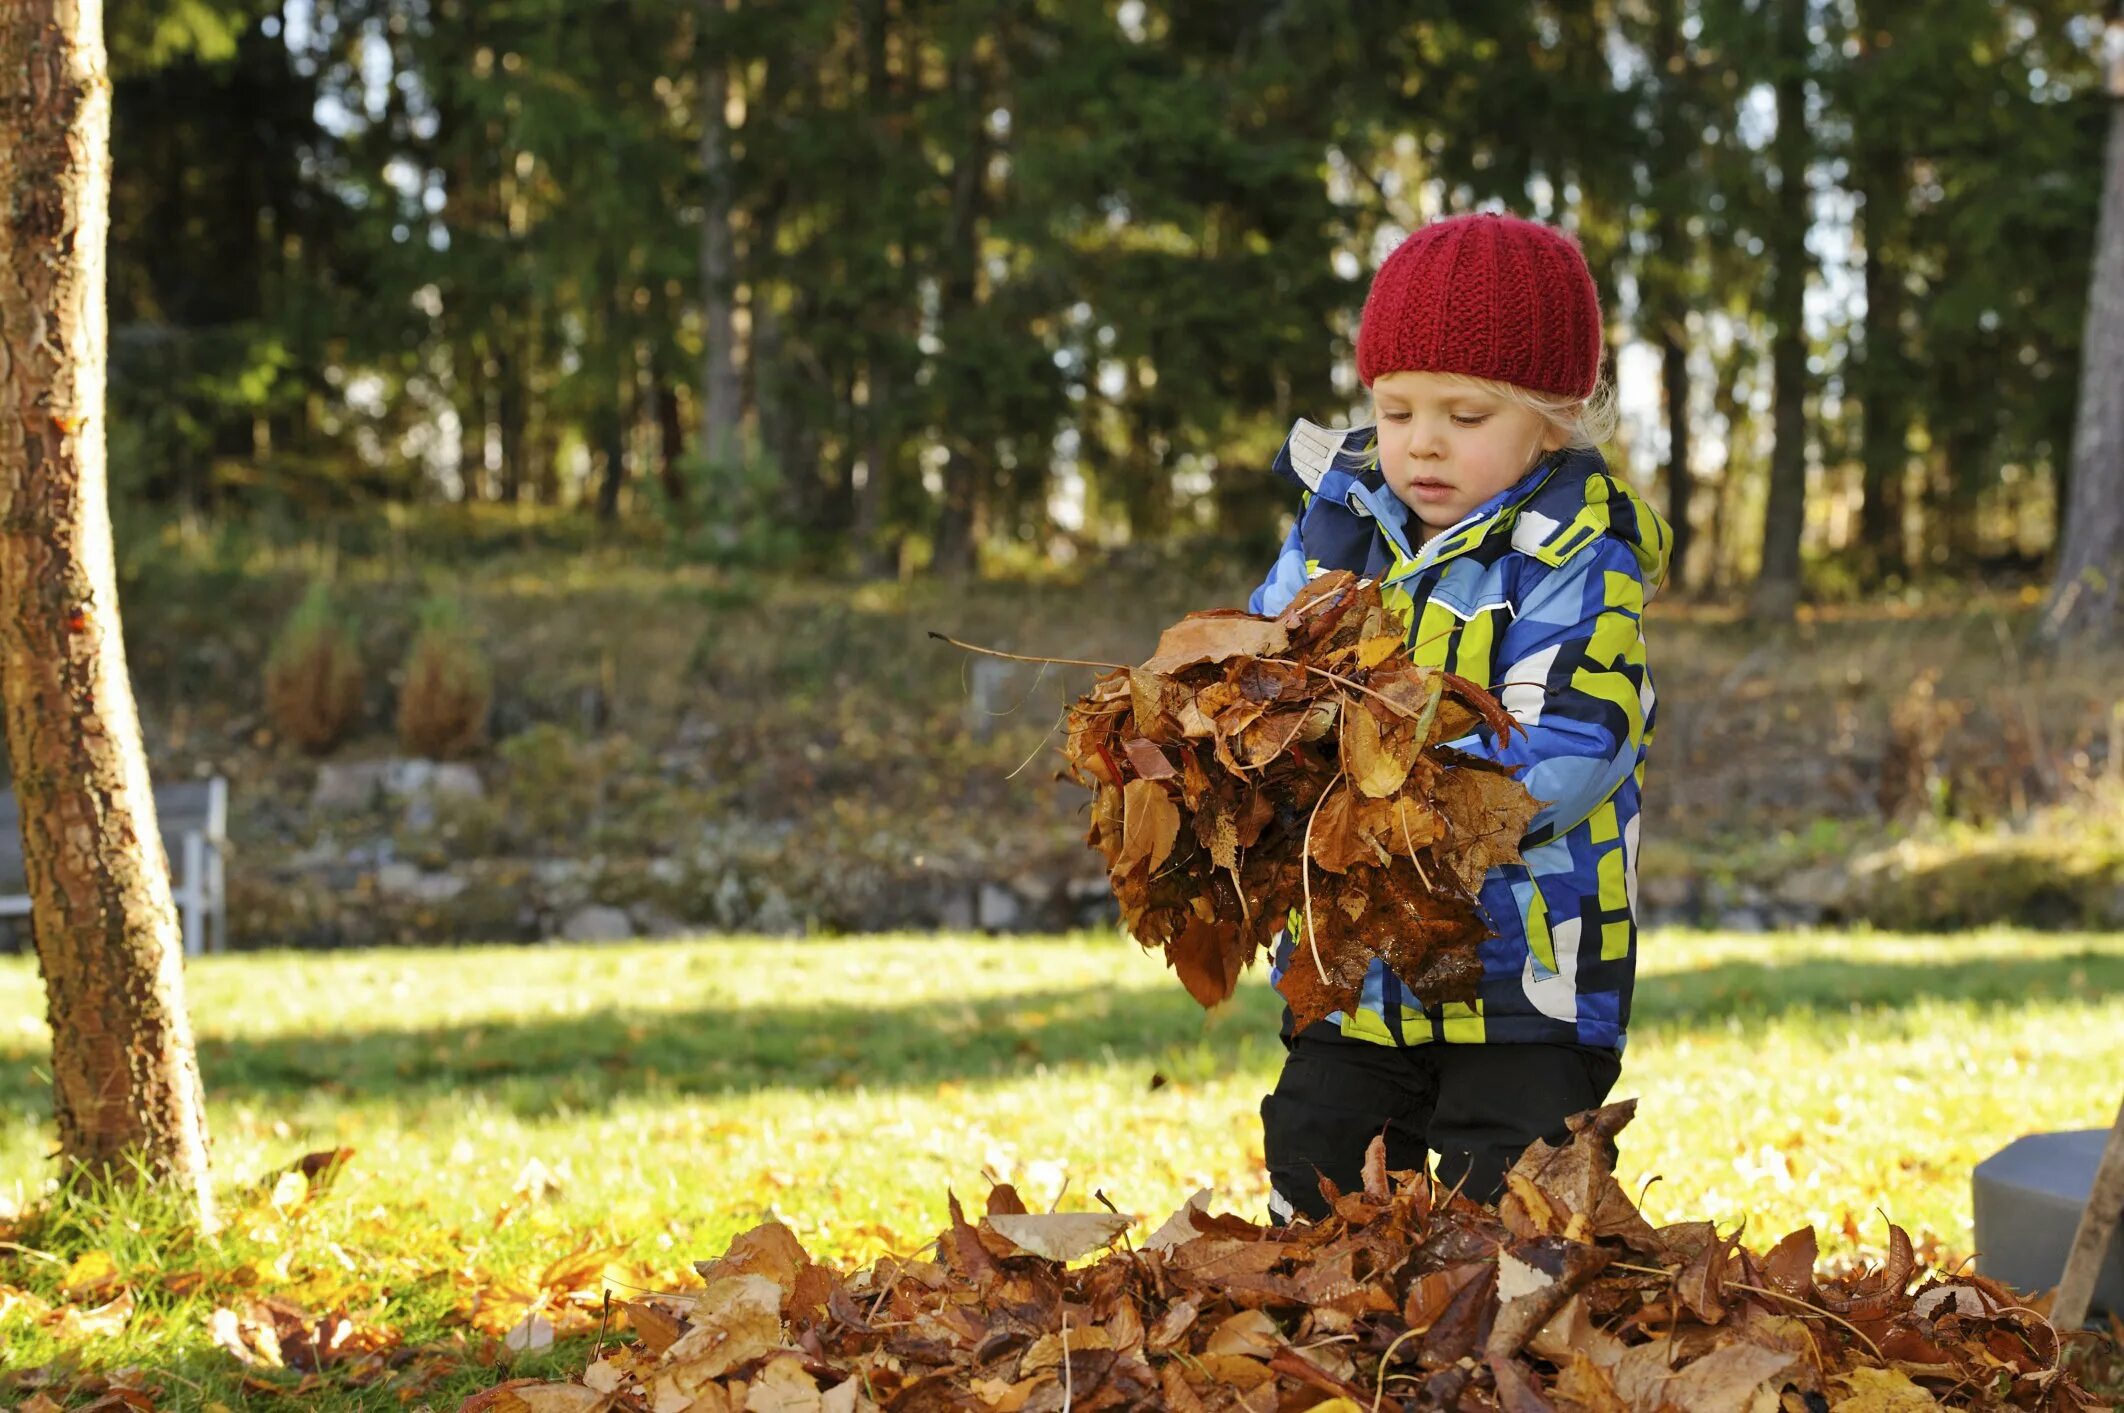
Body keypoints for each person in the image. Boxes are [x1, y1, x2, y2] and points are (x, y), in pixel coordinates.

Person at [1245, 211, 1672, 1220]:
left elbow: (1566, 746)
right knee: (1319, 1161)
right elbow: (1265, 665)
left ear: (1555, 419)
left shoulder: (1578, 563)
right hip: (1356, 967)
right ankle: (1342, 1355)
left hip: (1527, 975)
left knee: (1508, 1194)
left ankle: (1504, 1353)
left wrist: (1381, 791)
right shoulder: (1337, 531)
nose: (1422, 443)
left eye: (1465, 417)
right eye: (1396, 412)